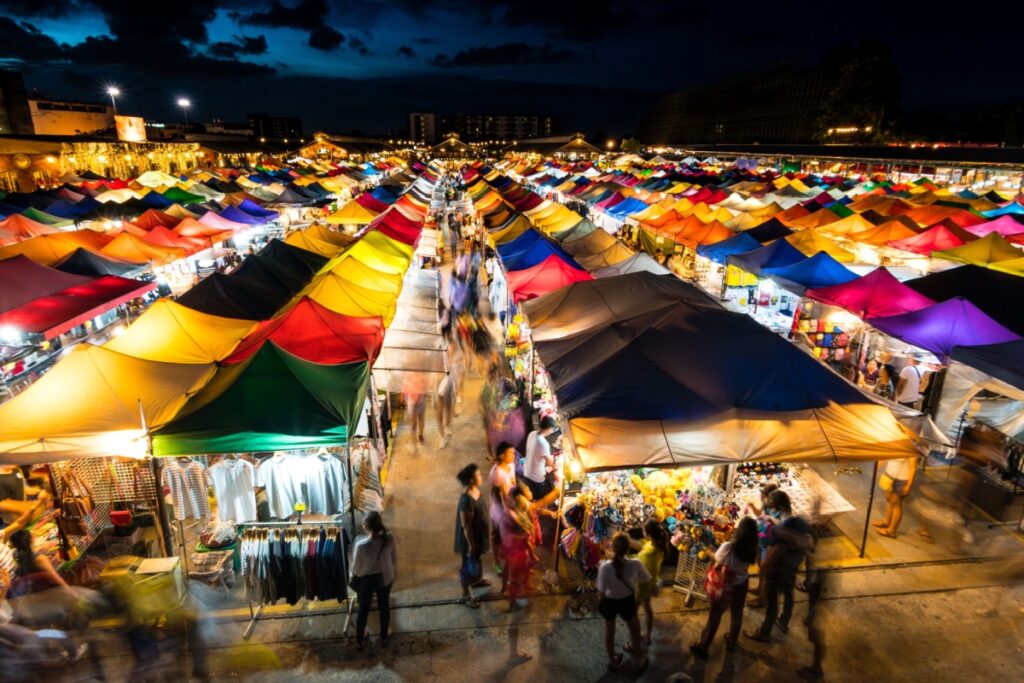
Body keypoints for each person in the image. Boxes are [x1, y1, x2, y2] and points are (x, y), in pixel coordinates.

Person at [747, 491, 812, 643]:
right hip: (790, 572)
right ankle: (783, 622)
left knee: (772, 603)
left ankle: (764, 632)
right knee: (788, 596)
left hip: (777, 573)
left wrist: (764, 570)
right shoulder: (800, 536)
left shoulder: (780, 534)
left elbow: (771, 556)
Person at [690, 517, 759, 659]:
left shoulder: (729, 546)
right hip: (741, 584)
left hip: (725, 584)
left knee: (715, 617)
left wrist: (709, 552)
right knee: (737, 613)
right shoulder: (753, 548)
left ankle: (703, 646)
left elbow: (717, 559)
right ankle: (732, 641)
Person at [596, 532, 650, 671]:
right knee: (634, 628)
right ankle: (637, 660)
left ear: (613, 548)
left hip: (610, 601)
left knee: (609, 631)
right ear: (628, 548)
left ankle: (613, 661)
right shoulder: (636, 564)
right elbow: (646, 580)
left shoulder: (604, 567)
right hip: (627, 600)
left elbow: (601, 592)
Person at [350, 511, 397, 650]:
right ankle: (383, 637)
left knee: (363, 610)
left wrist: (353, 575)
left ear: (366, 526)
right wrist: (393, 573)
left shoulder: (361, 545)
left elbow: (357, 569)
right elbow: (393, 558)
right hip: (385, 577)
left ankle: (360, 640)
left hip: (367, 581)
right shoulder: (389, 538)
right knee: (384, 608)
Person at [455, 464, 491, 608]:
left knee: (477, 558)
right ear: (471, 480)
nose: (481, 477)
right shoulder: (466, 500)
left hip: (478, 535)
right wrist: (471, 544)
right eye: (478, 476)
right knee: (467, 565)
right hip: (469, 539)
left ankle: (477, 581)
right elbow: (465, 525)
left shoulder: (475, 490)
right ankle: (465, 595)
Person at [500, 488, 537, 612]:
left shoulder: (515, 512)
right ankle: (512, 603)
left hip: (517, 550)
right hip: (515, 551)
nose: (508, 499)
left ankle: (514, 599)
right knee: (515, 578)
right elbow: (512, 535)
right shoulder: (512, 515)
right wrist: (524, 537)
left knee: (516, 577)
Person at [488, 442, 518, 593]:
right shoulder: (497, 473)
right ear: (502, 456)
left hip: (510, 506)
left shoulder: (511, 466)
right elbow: (502, 496)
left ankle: (504, 556)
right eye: (511, 453)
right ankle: (496, 561)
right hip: (499, 509)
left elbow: (513, 482)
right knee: (496, 536)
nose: (514, 455)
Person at [8, 529, 72, 597]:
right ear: (31, 540)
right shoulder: (40, 559)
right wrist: (73, 594)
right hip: (53, 594)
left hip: (39, 596)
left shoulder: (19, 559)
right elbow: (57, 580)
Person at [634, 518, 668, 645]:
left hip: (642, 586)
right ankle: (647, 636)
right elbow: (642, 546)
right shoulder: (656, 545)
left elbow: (637, 564)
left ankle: (635, 638)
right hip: (650, 583)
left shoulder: (648, 553)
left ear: (647, 533)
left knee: (632, 613)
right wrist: (629, 541)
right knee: (647, 608)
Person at [745, 483, 779, 608]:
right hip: (761, 541)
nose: (760, 495)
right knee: (761, 566)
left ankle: (763, 598)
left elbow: (776, 527)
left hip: (768, 545)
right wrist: (752, 506)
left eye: (762, 493)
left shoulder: (776, 510)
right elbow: (759, 514)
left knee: (766, 569)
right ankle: (760, 588)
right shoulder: (766, 505)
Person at [874, 457, 918, 538]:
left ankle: (892, 531)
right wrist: (877, 467)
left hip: (901, 480)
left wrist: (908, 485)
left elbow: (913, 468)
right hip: (888, 476)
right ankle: (887, 522)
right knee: (889, 500)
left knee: (896, 504)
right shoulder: (896, 444)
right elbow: (886, 456)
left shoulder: (910, 448)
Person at [522, 416, 557, 502]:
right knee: (539, 498)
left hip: (527, 471)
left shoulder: (532, 433)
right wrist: (554, 462)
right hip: (536, 477)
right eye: (553, 429)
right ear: (549, 429)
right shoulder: (543, 444)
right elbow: (549, 463)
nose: (553, 431)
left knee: (532, 493)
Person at [401, 373, 427, 450]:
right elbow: (404, 386)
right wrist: (402, 396)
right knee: (413, 423)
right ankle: (414, 443)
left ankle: (420, 435)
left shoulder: (422, 374)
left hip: (420, 400)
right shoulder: (407, 375)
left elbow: (425, 386)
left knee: (421, 419)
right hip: (411, 401)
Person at [434, 371, 456, 449]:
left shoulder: (449, 375)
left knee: (448, 410)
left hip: (448, 390)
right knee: (439, 417)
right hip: (438, 394)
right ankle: (442, 438)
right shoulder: (434, 372)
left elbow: (453, 393)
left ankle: (447, 426)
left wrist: (454, 408)